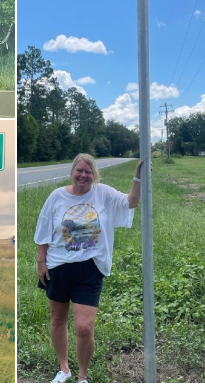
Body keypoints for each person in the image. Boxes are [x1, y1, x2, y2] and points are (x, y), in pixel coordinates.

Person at [34, 154, 146, 383]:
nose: (83, 175)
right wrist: (41, 263)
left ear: (94, 175)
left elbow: (131, 202)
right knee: (57, 319)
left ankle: (82, 376)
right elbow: (43, 231)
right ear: (72, 172)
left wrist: (138, 177)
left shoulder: (103, 193)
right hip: (58, 267)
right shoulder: (56, 197)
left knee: (84, 327)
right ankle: (64, 368)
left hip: (91, 268)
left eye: (88, 172)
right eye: (79, 171)